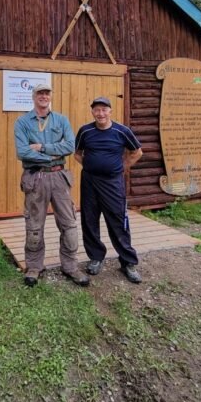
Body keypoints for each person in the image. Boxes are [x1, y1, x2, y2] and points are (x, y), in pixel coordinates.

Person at [14, 83, 89, 287]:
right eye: (40, 93)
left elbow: (70, 146)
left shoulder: (61, 120)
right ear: (33, 96)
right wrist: (51, 157)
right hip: (35, 178)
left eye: (47, 93)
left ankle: (70, 266)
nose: (44, 96)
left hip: (59, 177)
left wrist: (41, 148)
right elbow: (22, 152)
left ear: (50, 96)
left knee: (69, 223)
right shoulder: (22, 122)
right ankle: (34, 267)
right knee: (34, 225)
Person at [75, 96, 144, 284]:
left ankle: (128, 262)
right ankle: (96, 257)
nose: (100, 113)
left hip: (113, 183)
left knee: (118, 220)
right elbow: (78, 154)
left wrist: (120, 168)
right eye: (97, 110)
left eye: (104, 109)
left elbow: (137, 152)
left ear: (110, 111)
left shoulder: (122, 131)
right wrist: (91, 166)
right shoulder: (85, 131)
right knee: (89, 220)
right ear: (92, 112)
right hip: (89, 182)